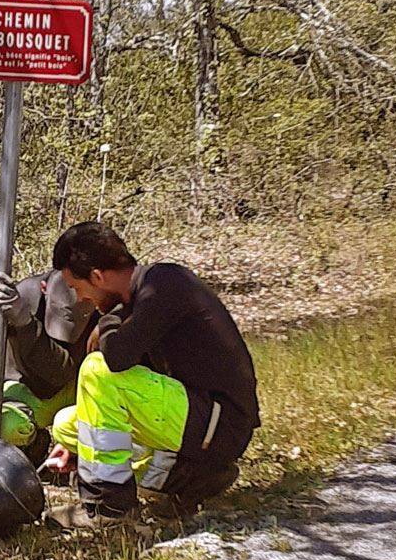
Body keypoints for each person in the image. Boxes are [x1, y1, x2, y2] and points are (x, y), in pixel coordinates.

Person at [42, 221, 258, 525]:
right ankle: (191, 480)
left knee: (96, 371)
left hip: (220, 423)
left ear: (97, 276)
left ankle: (107, 506)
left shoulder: (163, 282)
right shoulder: (140, 302)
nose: (80, 300)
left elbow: (116, 359)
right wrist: (81, 451)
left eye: (78, 289)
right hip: (196, 423)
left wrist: (106, 321)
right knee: (67, 425)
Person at [0, 269, 97, 464]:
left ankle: (84, 457)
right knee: (5, 426)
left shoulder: (103, 299)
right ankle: (34, 447)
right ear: (44, 290)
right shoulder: (19, 299)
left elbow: (64, 372)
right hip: (28, 388)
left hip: (79, 389)